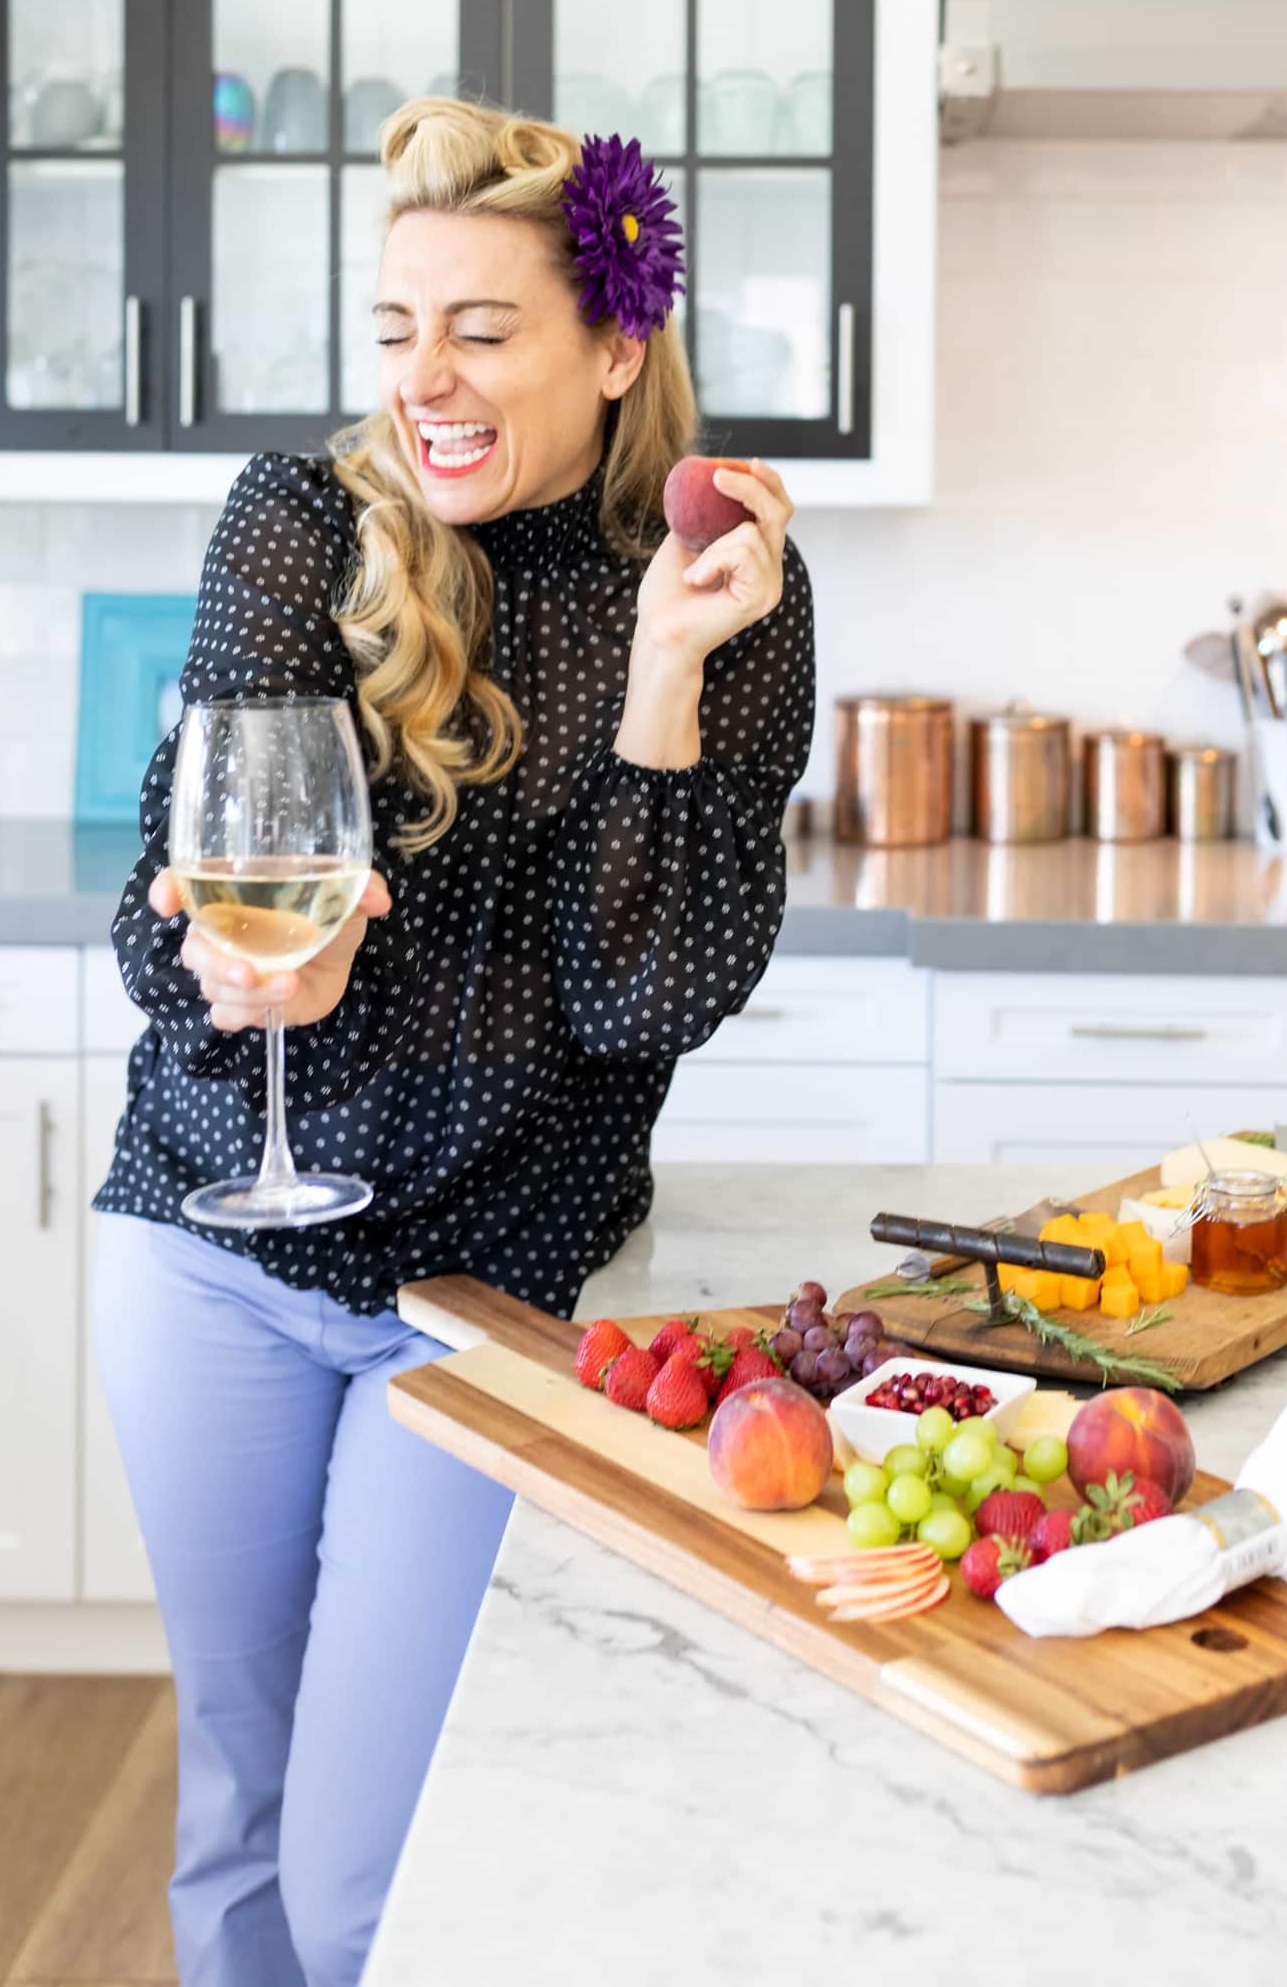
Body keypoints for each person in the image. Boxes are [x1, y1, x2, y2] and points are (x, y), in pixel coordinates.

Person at [94, 100, 813, 1987]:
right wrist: (246, 978)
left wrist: (662, 679)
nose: (429, 380)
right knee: (237, 1823)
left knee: (370, 1894)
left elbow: (639, 1006)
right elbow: (175, 909)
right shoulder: (296, 520)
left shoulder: (725, 583)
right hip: (212, 1244)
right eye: (397, 325)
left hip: (485, 1298)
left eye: (484, 330)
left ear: (616, 341)